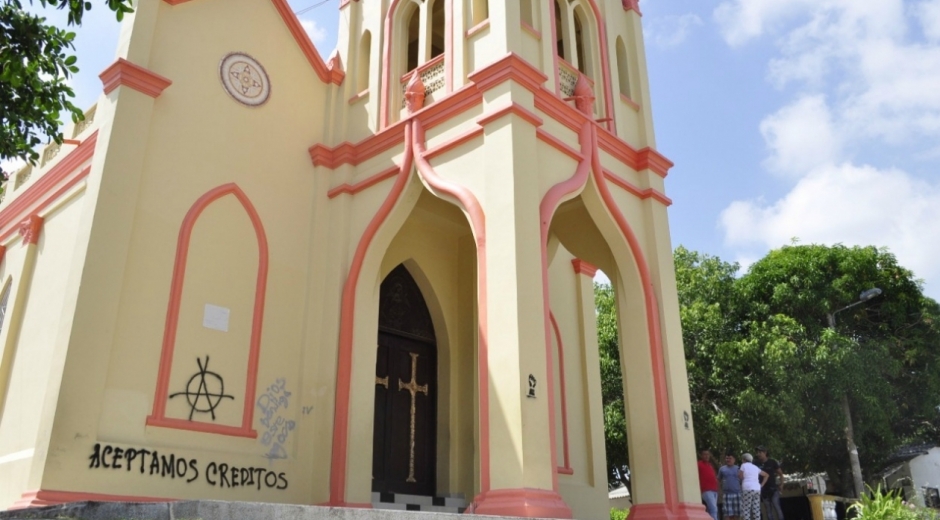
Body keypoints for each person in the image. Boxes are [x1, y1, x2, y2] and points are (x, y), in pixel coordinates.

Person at [756, 446, 785, 520]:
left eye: (760, 452)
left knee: (777, 508)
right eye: (757, 452)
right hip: (763, 490)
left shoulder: (772, 462)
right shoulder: (755, 463)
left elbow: (780, 473)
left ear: (765, 452)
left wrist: (781, 484)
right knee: (768, 510)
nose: (758, 454)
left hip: (773, 489)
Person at [739, 453, 768, 520]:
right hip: (757, 489)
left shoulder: (743, 465)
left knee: (746, 509)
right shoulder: (755, 467)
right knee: (756, 508)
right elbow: (766, 475)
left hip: (747, 488)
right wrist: (761, 485)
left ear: (744, 459)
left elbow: (740, 476)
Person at [718, 453, 742, 520]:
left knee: (737, 514)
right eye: (727, 458)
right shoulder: (722, 469)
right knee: (727, 514)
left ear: (734, 460)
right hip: (726, 494)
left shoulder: (739, 469)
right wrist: (719, 491)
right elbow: (718, 480)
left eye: (730, 458)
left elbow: (742, 480)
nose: (728, 460)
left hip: (737, 494)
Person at [698, 449, 720, 520]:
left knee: (711, 509)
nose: (706, 456)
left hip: (714, 490)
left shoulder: (710, 465)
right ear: (701, 455)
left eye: (708, 454)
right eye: (704, 454)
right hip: (706, 490)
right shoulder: (699, 464)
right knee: (713, 508)